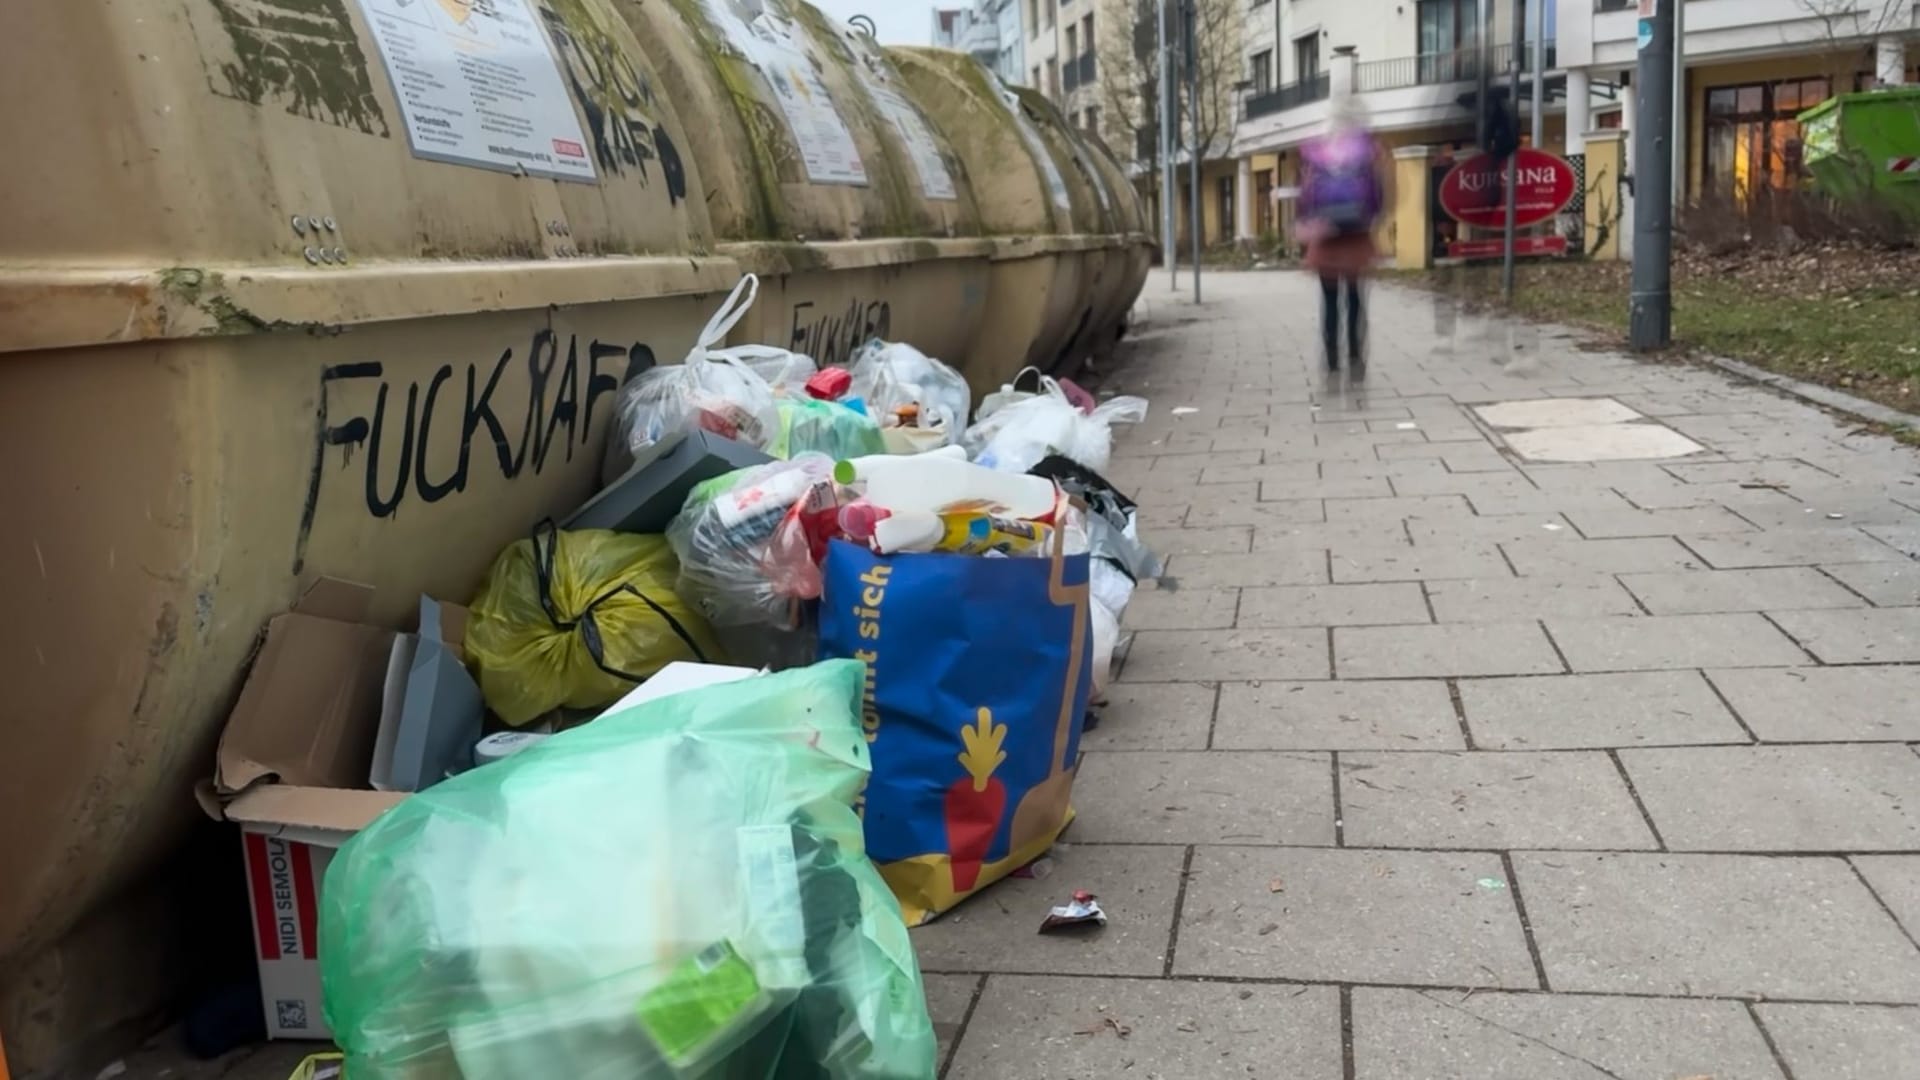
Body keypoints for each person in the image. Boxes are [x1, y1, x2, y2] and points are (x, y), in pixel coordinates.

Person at [1297, 97, 1388, 372]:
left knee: (1329, 301)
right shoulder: (1367, 150)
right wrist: (1372, 218)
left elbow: (1306, 195)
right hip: (1357, 235)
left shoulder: (1318, 151)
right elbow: (1379, 194)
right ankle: (1356, 357)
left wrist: (1306, 222)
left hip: (1326, 236)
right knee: (1355, 299)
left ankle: (1332, 357)